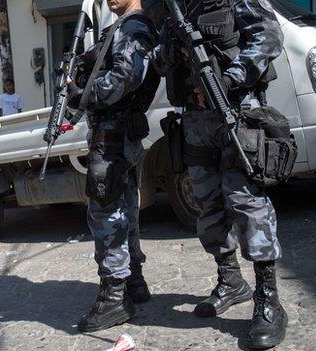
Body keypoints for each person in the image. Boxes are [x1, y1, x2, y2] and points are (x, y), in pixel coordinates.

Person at [150, 0, 288, 348]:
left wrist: (230, 76)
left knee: (247, 203)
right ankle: (230, 281)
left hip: (236, 110)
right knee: (206, 204)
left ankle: (268, 298)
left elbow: (269, 34)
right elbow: (158, 63)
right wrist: (171, 49)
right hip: (195, 120)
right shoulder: (172, 10)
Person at [65, 0, 161, 332]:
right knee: (126, 211)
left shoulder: (133, 27)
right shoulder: (124, 27)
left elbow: (125, 76)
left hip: (113, 136)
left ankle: (113, 299)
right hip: (121, 135)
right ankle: (133, 280)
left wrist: (81, 95)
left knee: (106, 214)